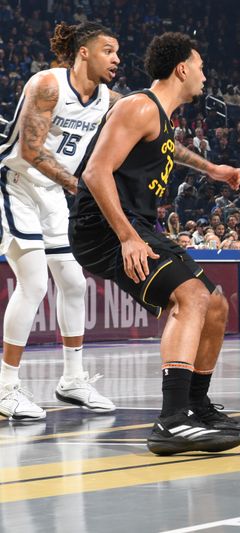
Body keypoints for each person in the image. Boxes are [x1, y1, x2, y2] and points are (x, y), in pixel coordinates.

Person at [68, 32, 240, 455]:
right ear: (182, 68)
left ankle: (196, 407)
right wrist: (127, 237)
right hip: (106, 228)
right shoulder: (139, 105)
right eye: (200, 66)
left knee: (216, 305)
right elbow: (95, 173)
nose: (204, 75)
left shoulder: (157, 117)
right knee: (191, 299)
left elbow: (171, 149)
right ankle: (171, 421)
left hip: (135, 224)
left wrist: (213, 170)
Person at [0, 22, 123, 420]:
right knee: (34, 282)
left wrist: (209, 168)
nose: (117, 59)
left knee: (72, 282)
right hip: (16, 182)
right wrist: (81, 187)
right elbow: (33, 152)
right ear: (83, 52)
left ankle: (72, 380)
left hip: (53, 192)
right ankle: (5, 388)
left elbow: (150, 127)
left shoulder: (107, 99)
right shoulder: (48, 85)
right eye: (108, 50)